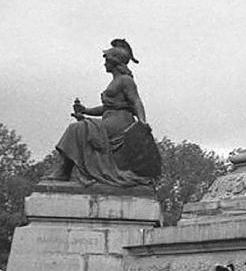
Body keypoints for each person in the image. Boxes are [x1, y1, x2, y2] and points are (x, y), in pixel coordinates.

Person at [45, 39, 160, 186]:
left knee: (77, 129)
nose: (104, 63)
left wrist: (142, 123)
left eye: (106, 60)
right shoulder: (114, 81)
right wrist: (85, 111)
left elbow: (136, 101)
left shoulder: (126, 80)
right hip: (109, 120)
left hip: (121, 123)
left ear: (114, 62)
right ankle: (65, 170)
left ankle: (64, 170)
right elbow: (107, 108)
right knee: (80, 127)